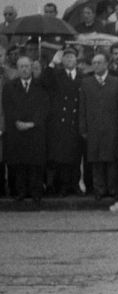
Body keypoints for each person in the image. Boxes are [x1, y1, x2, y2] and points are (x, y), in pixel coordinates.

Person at [79, 53, 118, 200]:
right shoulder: (86, 82)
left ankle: (113, 190)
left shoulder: (116, 82)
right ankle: (99, 190)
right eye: (94, 63)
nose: (96, 65)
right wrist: (83, 128)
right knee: (96, 160)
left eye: (99, 62)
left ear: (106, 64)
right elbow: (82, 107)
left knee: (111, 160)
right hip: (93, 128)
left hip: (112, 128)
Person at [3, 56, 49, 202]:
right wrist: (18, 121)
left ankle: (36, 192)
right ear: (17, 68)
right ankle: (21, 192)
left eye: (27, 66)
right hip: (17, 131)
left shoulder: (40, 86)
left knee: (35, 163)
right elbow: (7, 107)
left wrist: (32, 123)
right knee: (19, 163)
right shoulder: (10, 86)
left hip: (35, 131)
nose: (24, 69)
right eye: (21, 66)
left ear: (31, 68)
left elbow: (45, 107)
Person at [41, 47, 83, 198]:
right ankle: (63, 186)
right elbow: (43, 82)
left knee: (76, 157)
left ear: (76, 59)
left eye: (72, 57)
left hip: (76, 121)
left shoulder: (82, 76)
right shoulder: (56, 75)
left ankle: (75, 185)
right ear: (62, 60)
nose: (69, 59)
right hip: (60, 123)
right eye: (66, 57)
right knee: (62, 157)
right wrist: (52, 63)